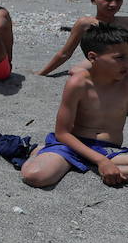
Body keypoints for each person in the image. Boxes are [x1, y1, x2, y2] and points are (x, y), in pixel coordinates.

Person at [20, 24, 128, 189]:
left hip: (109, 149)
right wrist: (101, 161)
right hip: (73, 145)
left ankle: (99, 165)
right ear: (93, 57)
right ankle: (39, 151)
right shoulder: (79, 83)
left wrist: (104, 159)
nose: (126, 63)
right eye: (120, 57)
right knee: (35, 176)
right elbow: (62, 133)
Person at [39, 0, 127, 76]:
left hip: (122, 69)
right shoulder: (84, 24)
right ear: (93, 0)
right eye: (108, 0)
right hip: (99, 68)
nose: (114, 4)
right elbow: (65, 53)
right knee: (77, 70)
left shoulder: (125, 23)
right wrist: (42, 73)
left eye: (119, 0)